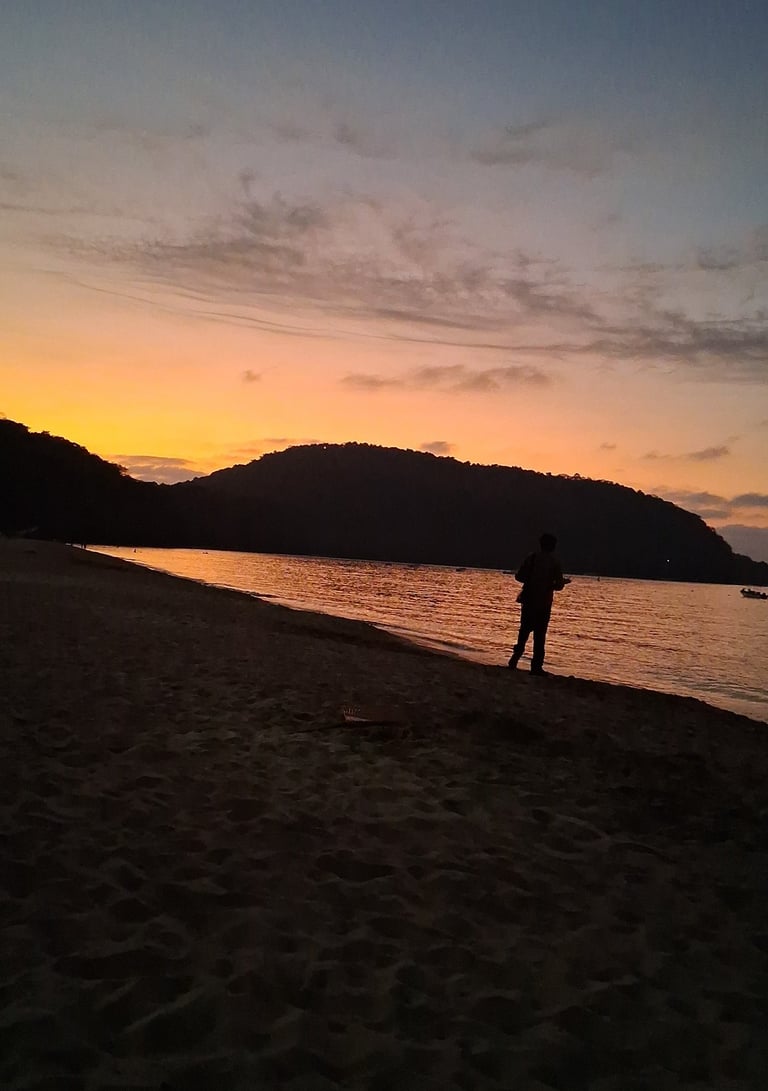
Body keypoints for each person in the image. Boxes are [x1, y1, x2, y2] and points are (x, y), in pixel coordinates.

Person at [508, 532, 568, 675]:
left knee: (523, 632)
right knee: (540, 636)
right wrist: (553, 584)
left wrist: (532, 580)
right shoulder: (555, 562)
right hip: (544, 603)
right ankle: (536, 667)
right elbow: (559, 586)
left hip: (528, 600)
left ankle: (514, 660)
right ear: (552, 546)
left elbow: (519, 576)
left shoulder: (532, 558)